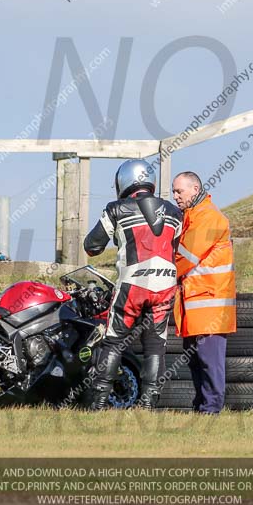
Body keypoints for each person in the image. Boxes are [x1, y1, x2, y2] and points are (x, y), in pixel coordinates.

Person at [83, 159, 183, 410]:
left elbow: (92, 247)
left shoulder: (116, 208)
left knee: (113, 341)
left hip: (133, 283)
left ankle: (100, 401)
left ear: (124, 181)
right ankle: (148, 404)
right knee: (155, 346)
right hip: (165, 284)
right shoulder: (174, 212)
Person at [171, 171, 236, 414]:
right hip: (197, 304)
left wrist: (162, 272)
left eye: (180, 191)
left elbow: (187, 257)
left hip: (210, 305)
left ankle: (211, 409)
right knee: (197, 362)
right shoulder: (192, 216)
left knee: (210, 362)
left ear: (195, 190)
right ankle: (203, 407)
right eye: (174, 191)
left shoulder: (209, 218)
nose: (175, 196)